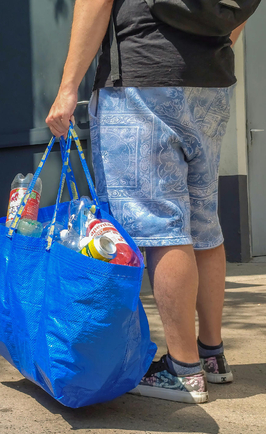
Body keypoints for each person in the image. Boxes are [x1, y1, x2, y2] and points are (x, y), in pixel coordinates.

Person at [46, 1, 248, 404]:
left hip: (142, 76)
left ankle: (183, 371)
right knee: (203, 224)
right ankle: (211, 356)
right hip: (212, 82)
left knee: (160, 226)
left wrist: (68, 87)